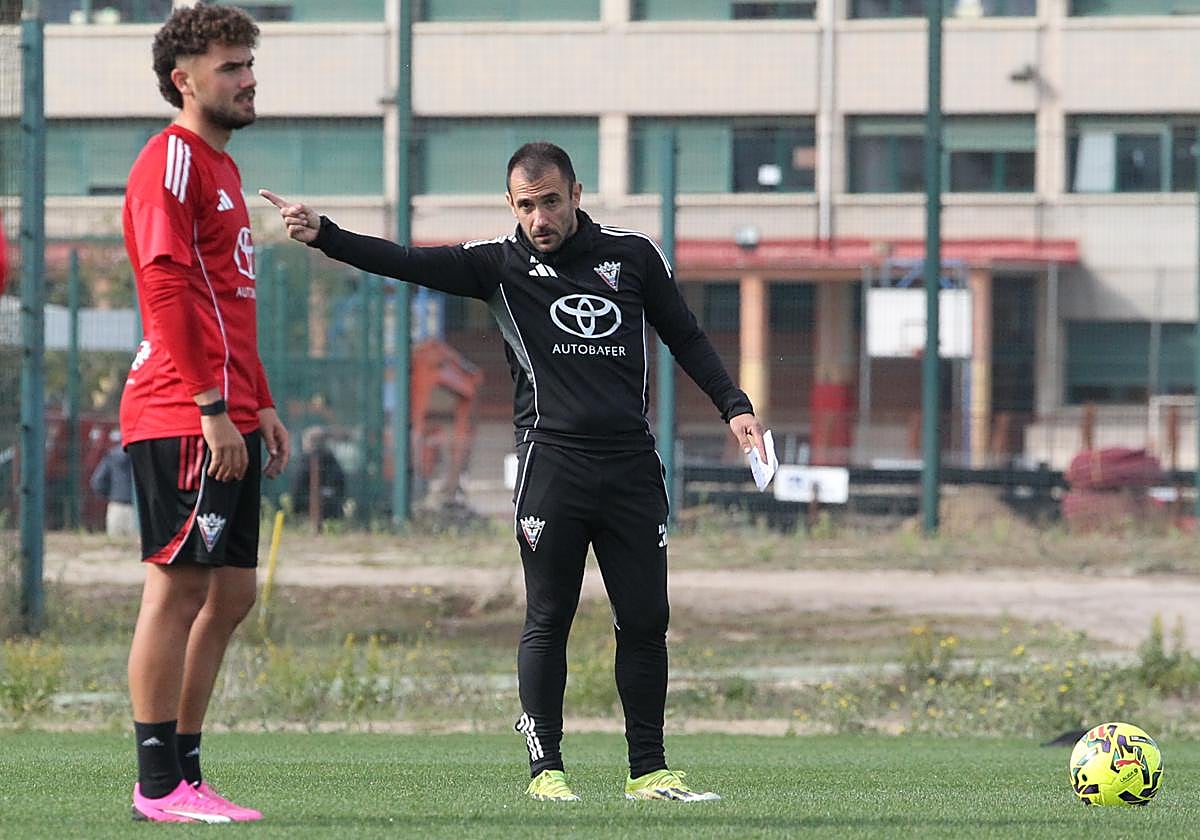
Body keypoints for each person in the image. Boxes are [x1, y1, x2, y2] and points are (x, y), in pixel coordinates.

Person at [263, 141, 766, 802]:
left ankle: (649, 771)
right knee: (548, 615)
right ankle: (546, 771)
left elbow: (686, 335)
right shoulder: (497, 265)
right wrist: (326, 235)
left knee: (645, 619)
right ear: (512, 206)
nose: (539, 218)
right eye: (526, 205)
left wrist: (735, 406)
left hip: (631, 469)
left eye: (550, 201)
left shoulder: (633, 256)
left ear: (576, 194)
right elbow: (407, 262)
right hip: (551, 469)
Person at [120, 3, 288, 824]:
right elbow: (167, 289)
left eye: (250, 64)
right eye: (232, 67)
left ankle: (186, 771)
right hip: (182, 413)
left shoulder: (221, 169)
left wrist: (261, 405)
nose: (249, 79)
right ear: (184, 81)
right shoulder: (173, 161)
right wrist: (214, 407)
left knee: (232, 595)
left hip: (229, 412)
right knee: (178, 590)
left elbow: (229, 302)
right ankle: (159, 785)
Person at [90, 430, 137, 538]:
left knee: (115, 546)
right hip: (138, 509)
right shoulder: (144, 456)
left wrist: (112, 495)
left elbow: (97, 482)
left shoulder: (112, 455)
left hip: (116, 505)